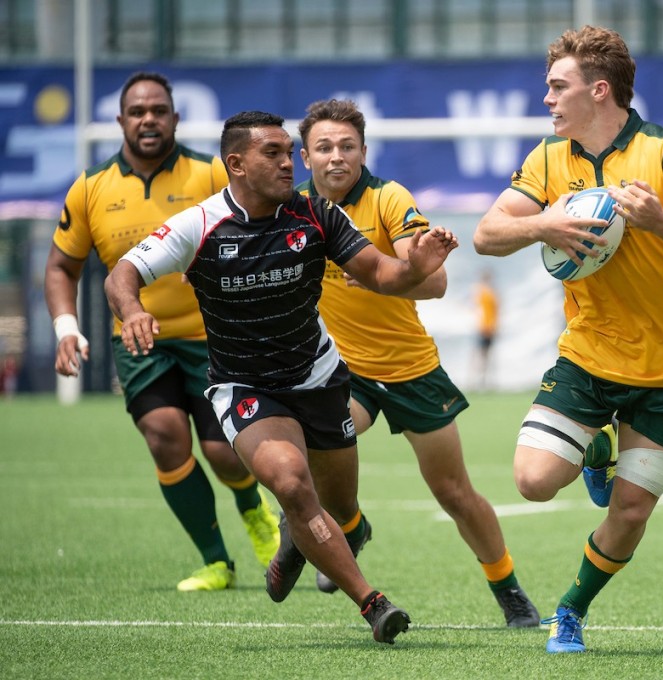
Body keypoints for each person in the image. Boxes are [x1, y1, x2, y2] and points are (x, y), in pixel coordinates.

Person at [105, 110, 458, 644]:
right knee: (293, 483)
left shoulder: (317, 214)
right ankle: (373, 604)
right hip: (245, 389)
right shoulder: (199, 226)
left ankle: (303, 536)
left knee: (341, 509)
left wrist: (417, 266)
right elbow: (122, 273)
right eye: (272, 154)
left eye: (288, 153)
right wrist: (132, 310)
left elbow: (383, 274)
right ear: (236, 164)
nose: (287, 163)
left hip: (319, 380)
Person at [473, 26, 663, 653]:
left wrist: (661, 221)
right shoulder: (548, 159)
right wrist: (548, 221)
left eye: (557, 87)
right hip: (590, 354)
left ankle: (571, 610)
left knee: (629, 512)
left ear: (599, 91)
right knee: (534, 481)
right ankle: (598, 451)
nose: (547, 98)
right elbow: (488, 233)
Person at [294, 98, 539, 627]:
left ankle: (508, 589)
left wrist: (388, 277)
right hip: (341, 371)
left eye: (347, 146)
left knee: (453, 492)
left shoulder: (388, 199)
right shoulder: (293, 210)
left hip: (410, 370)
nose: (336, 156)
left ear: (363, 152)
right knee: (309, 450)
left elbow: (437, 281)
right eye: (324, 147)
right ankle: (352, 529)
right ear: (305, 157)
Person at [44, 72, 279, 592]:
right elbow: (63, 267)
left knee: (223, 451)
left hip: (215, 336)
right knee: (165, 436)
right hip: (138, 340)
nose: (148, 119)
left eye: (158, 110)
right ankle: (216, 560)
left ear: (174, 117)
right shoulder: (91, 188)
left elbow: (259, 224)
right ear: (121, 120)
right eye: (137, 111)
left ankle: (253, 509)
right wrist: (66, 327)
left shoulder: (212, 171)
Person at [473, 268, 500, 390]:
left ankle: (484, 381)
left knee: (485, 355)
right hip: (484, 327)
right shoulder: (484, 292)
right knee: (482, 355)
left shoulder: (489, 293)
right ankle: (479, 381)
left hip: (488, 327)